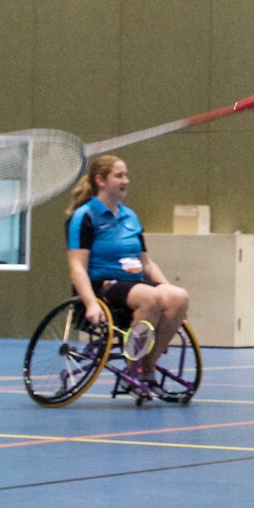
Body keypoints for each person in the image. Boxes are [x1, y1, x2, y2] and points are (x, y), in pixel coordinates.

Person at [65, 155, 190, 395]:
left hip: (134, 282)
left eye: (126, 175)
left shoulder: (130, 216)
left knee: (178, 297)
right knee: (150, 298)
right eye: (119, 176)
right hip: (103, 284)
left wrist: (164, 286)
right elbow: (77, 267)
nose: (126, 181)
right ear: (100, 180)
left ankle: (148, 365)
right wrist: (91, 304)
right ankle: (132, 369)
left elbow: (146, 263)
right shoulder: (85, 216)